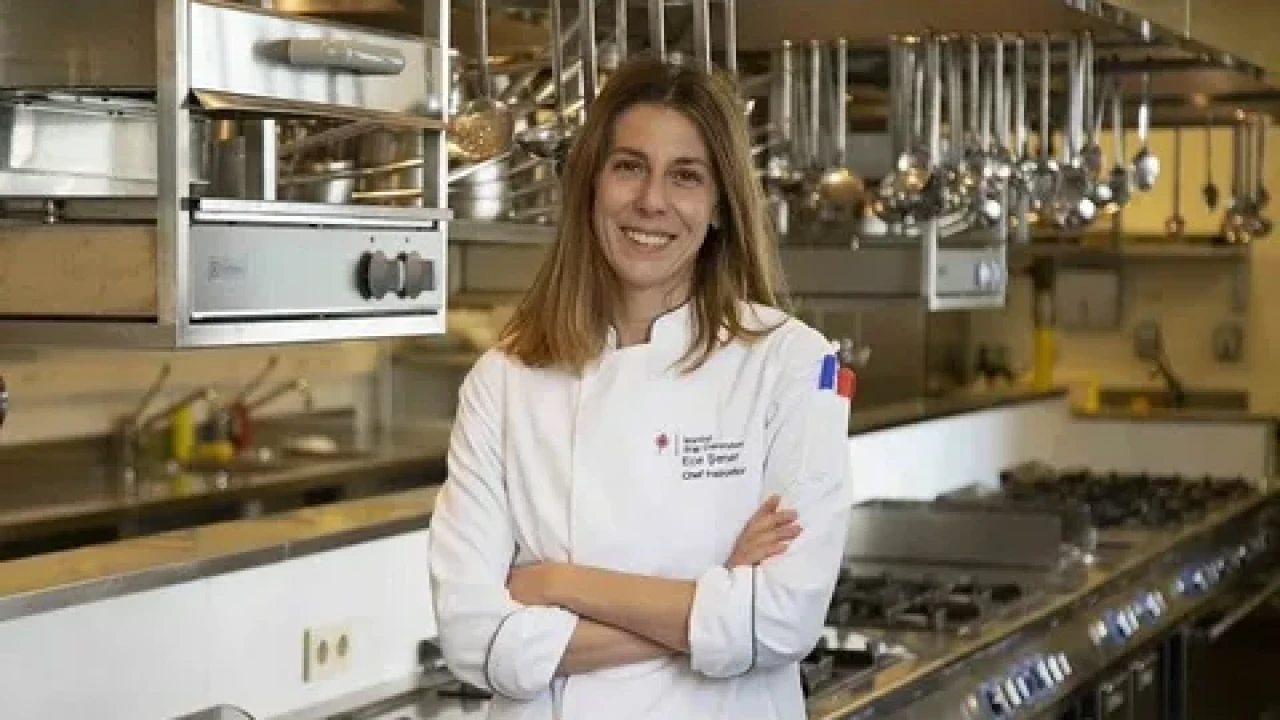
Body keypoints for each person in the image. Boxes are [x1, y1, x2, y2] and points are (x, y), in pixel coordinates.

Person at [428, 53, 855, 719]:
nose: (652, 201)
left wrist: (558, 583)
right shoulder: (504, 380)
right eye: (629, 166)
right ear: (591, 185)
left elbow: (779, 623)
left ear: (719, 205)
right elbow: (471, 640)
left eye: (685, 176)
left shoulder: (788, 363)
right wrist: (714, 602)